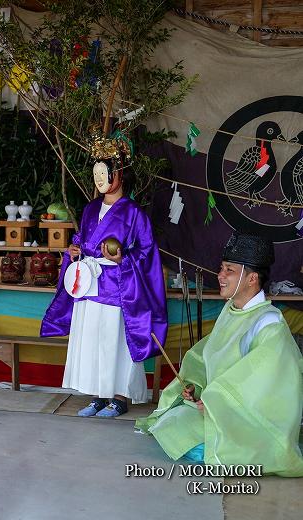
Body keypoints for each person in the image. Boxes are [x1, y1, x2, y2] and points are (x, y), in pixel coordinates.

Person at [136, 233, 303, 476]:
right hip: (219, 407)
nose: (220, 276)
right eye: (222, 269)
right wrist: (195, 387)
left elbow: (267, 387)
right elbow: (208, 355)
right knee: (172, 422)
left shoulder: (269, 324)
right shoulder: (231, 310)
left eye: (229, 271)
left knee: (186, 434)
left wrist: (217, 403)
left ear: (252, 278)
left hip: (254, 419)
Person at [40, 134, 168, 417]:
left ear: (119, 174)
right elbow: (82, 238)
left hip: (118, 285)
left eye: (104, 173)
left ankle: (119, 398)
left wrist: (123, 258)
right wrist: (74, 250)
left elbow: (147, 252)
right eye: (96, 173)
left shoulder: (135, 213)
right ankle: (99, 395)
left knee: (116, 341)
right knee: (93, 338)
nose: (99, 179)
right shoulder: (89, 209)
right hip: (89, 281)